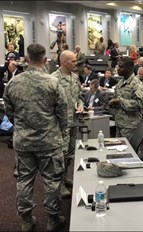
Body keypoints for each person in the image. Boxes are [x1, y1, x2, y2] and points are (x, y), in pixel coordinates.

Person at [3, 43, 68, 231]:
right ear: (45, 60)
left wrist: (23, 126)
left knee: (24, 180)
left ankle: (26, 220)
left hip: (23, 141)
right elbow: (63, 113)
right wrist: (61, 130)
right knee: (52, 181)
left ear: (26, 59)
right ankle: (53, 219)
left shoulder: (13, 83)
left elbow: (9, 112)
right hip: (49, 141)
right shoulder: (53, 82)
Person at [51, 50, 84, 198]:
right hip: (61, 125)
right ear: (64, 62)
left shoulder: (75, 78)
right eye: (73, 61)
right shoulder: (53, 79)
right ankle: (59, 183)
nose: (76, 64)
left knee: (70, 154)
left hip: (74, 121)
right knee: (60, 155)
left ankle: (65, 177)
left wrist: (81, 105)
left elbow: (79, 96)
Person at [108, 57, 143, 139]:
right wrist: (112, 103)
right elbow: (116, 98)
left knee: (131, 150)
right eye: (118, 66)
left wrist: (120, 101)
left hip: (130, 126)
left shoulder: (136, 84)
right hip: (119, 124)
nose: (118, 69)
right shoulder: (120, 83)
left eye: (121, 67)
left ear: (128, 68)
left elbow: (140, 104)